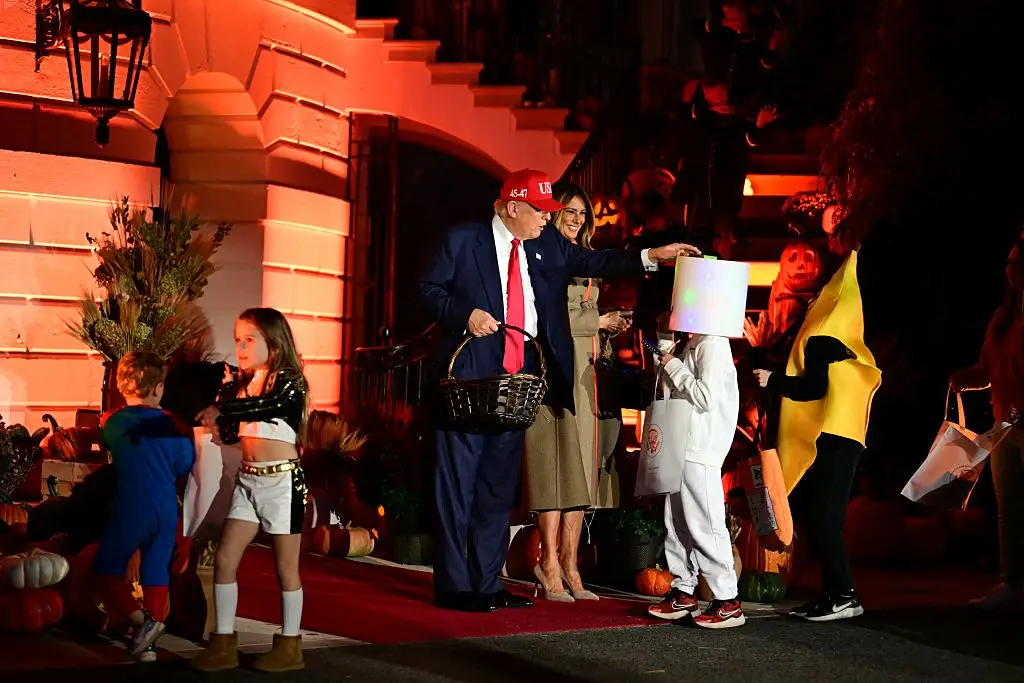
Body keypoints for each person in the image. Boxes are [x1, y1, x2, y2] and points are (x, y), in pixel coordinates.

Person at [417, 168, 700, 613]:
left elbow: (596, 261)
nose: (548, 220)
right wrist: (463, 314)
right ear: (512, 207)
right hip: (469, 382)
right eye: (540, 211)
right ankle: (456, 588)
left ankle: (487, 585)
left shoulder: (545, 244)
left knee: (496, 489)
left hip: (521, 384)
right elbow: (426, 289)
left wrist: (650, 255)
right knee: (458, 487)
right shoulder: (462, 241)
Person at [753, 250, 882, 621]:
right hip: (839, 433)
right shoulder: (838, 333)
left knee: (823, 516)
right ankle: (833, 593)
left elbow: (812, 387)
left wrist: (771, 380)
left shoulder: (824, 333)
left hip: (833, 434)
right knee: (819, 513)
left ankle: (843, 594)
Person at [523, 180, 630, 602]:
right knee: (554, 468)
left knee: (582, 473)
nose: (576, 219)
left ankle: (570, 563)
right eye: (570, 210)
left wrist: (607, 329)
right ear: (552, 211)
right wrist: (597, 322)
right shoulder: (545, 257)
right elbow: (549, 316)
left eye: (583, 214)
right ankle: (546, 560)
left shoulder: (584, 260)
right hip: (554, 373)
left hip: (587, 380)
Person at [191, 308, 310, 673]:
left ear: (273, 342)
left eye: (249, 339)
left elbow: (267, 407)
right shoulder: (242, 384)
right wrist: (219, 420)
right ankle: (223, 641)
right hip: (248, 480)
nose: (240, 347)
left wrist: (223, 408)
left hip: (282, 482)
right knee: (225, 558)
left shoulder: (289, 382)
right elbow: (233, 430)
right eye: (237, 340)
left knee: (285, 568)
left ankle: (291, 645)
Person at [92, 351, 195, 662]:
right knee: (156, 571)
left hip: (131, 504)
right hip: (164, 506)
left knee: (106, 569)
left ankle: (142, 623)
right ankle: (147, 646)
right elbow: (184, 464)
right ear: (159, 388)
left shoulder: (110, 421)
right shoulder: (175, 425)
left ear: (122, 388)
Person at [951, 233, 1024, 610]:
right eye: (1010, 264)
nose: (1012, 271)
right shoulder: (1003, 319)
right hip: (1004, 425)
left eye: (1019, 263)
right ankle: (1013, 582)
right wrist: (967, 377)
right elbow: (990, 369)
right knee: (1008, 506)